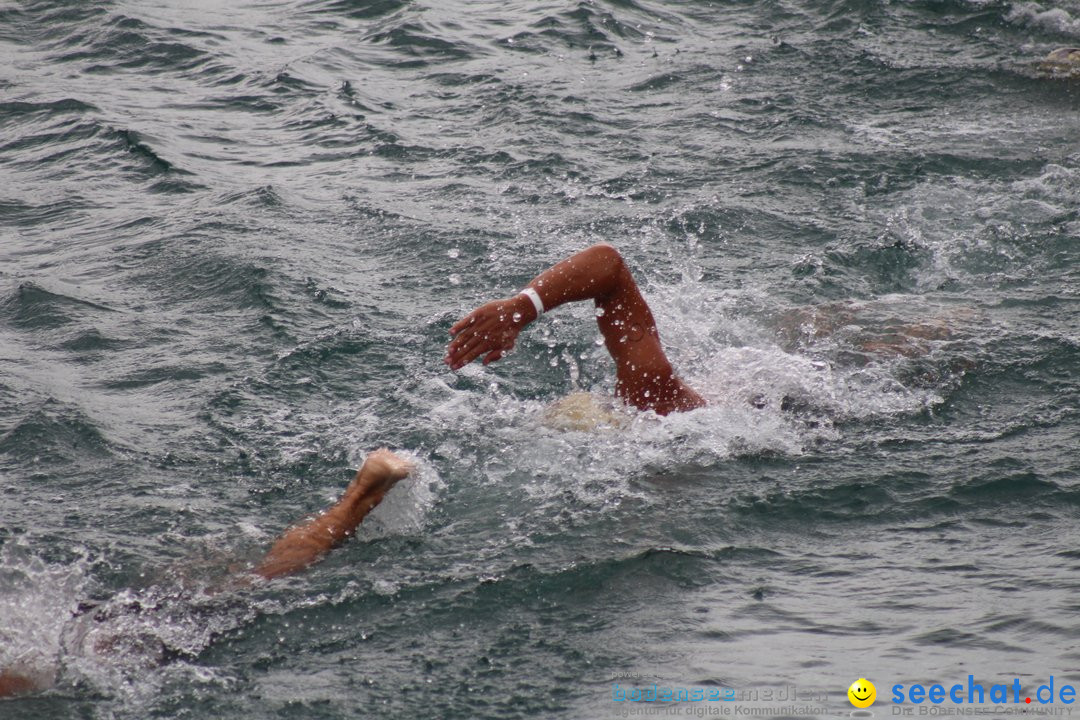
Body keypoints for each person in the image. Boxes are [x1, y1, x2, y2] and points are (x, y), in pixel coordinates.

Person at [0, 448, 414, 699]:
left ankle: (361, 494)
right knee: (237, 584)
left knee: (257, 583)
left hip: (118, 645)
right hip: (93, 628)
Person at [444, 243, 705, 416]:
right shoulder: (650, 394)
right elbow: (608, 264)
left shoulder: (656, 401)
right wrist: (521, 308)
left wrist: (520, 310)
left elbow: (609, 264)